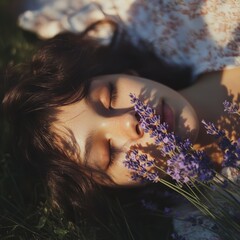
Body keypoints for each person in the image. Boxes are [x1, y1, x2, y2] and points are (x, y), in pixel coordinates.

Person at [2, 1, 240, 239]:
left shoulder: (198, 19)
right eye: (109, 152)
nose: (129, 121)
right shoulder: (212, 220)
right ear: (117, 187)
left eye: (110, 97)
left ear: (126, 73)